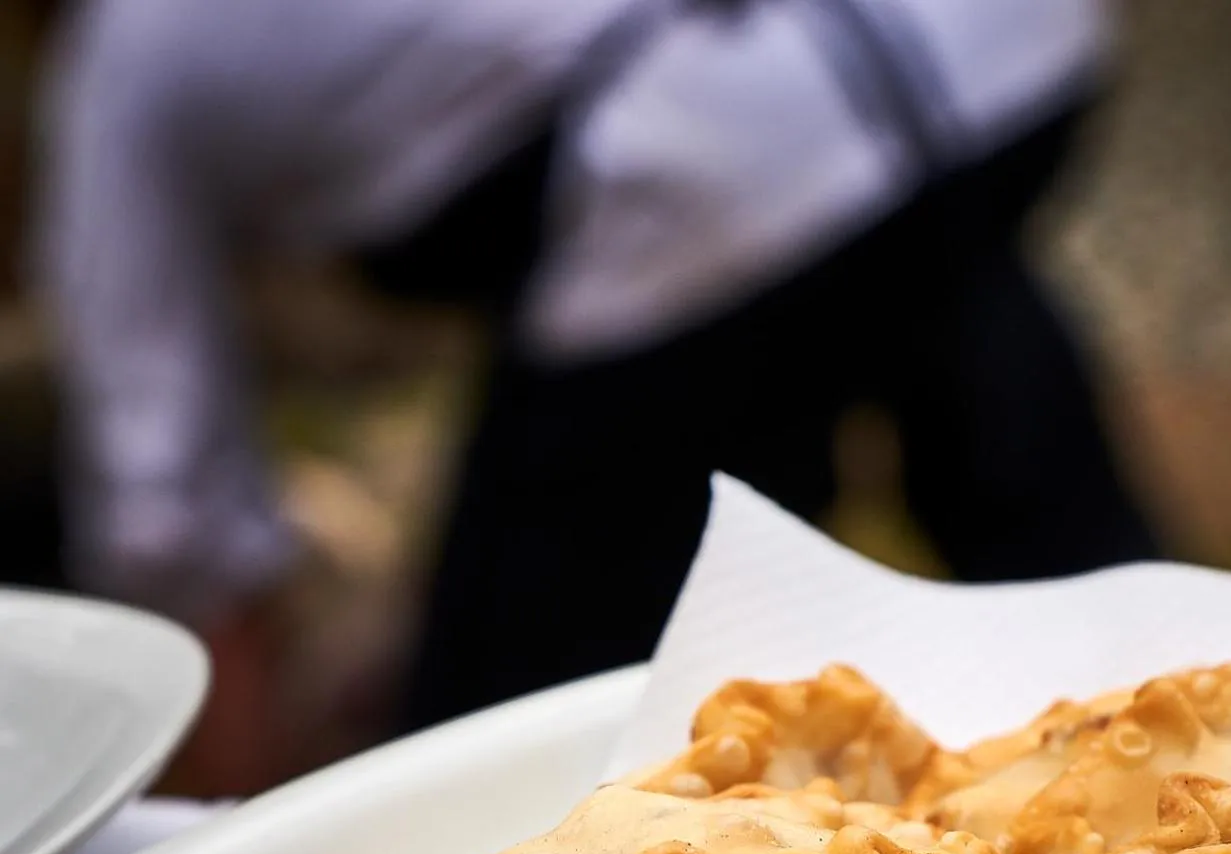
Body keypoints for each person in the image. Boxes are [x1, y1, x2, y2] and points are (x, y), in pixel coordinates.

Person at [38, 0, 1156, 738]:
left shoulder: (123, 64)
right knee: (1036, 510)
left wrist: (212, 845)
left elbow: (167, 512)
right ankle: (1187, 743)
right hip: (1005, 57)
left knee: (502, 732)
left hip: (713, 164)